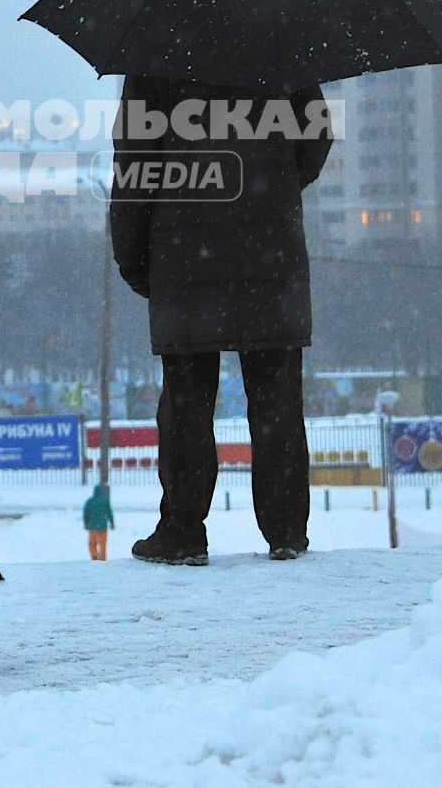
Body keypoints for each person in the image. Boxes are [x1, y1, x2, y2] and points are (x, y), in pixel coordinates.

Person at [109, 74, 333, 565]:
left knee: (187, 403)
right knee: (276, 399)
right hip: (270, 251)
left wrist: (132, 254)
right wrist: (273, 186)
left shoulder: (153, 55)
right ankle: (287, 531)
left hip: (185, 252)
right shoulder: (277, 42)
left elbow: (135, 163)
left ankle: (183, 532)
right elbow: (318, 134)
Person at [82, 482, 115, 560]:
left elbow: (86, 513)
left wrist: (86, 523)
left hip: (92, 526)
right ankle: (103, 558)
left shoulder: (90, 501)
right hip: (103, 526)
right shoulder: (105, 501)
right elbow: (109, 513)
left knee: (92, 543)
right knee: (103, 544)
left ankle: (94, 555)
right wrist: (112, 523)